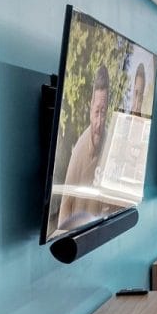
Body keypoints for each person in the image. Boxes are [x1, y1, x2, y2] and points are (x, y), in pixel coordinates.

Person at [55, 65, 111, 229]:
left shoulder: (109, 143)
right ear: (90, 107)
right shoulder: (79, 150)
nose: (99, 121)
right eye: (96, 112)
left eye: (103, 112)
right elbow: (65, 207)